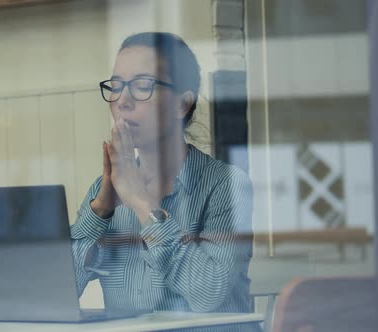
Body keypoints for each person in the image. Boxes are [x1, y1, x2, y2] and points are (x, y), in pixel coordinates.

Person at [70, 32, 257, 331]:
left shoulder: (227, 185)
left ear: (182, 105)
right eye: (116, 87)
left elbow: (208, 293)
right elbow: (62, 291)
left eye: (143, 86)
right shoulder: (105, 190)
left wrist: (142, 204)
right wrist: (100, 210)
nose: (122, 101)